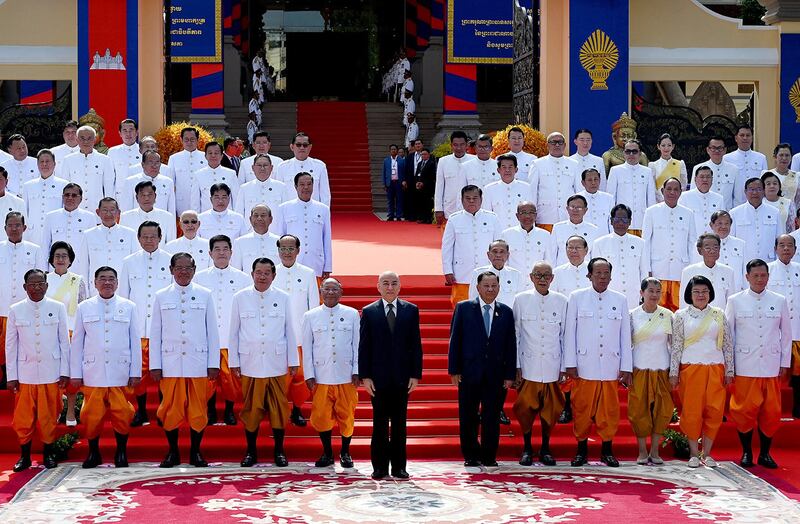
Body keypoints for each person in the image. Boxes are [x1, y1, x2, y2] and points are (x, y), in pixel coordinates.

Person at [149, 253, 220, 468]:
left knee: (198, 409)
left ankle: (196, 452)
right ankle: (173, 452)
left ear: (194, 269)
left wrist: (213, 363)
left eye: (187, 268)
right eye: (178, 268)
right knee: (170, 409)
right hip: (170, 362)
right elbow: (155, 332)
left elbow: (212, 331)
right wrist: (155, 365)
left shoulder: (205, 294)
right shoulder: (161, 296)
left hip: (197, 361)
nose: (183, 272)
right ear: (171, 270)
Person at [229, 257, 297, 467]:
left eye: (267, 273)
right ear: (252, 274)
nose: (262, 277)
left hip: (276, 362)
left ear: (274, 276)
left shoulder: (283, 297)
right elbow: (233, 332)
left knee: (279, 408)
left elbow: (290, 330)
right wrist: (234, 361)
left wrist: (293, 360)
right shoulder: (240, 297)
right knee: (251, 408)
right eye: (259, 272)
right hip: (250, 362)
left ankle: (279, 451)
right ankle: (251, 452)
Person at [563, 258, 631, 467]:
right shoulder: (577, 297)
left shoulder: (620, 299)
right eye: (598, 273)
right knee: (582, 410)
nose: (602, 277)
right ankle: (581, 450)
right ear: (589, 275)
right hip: (585, 365)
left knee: (609, 412)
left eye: (606, 273)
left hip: (611, 365)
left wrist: (626, 367)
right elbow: (569, 333)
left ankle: (607, 451)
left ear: (611, 276)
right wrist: (570, 363)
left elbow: (625, 335)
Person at [70, 266, 140, 468]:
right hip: (94, 371)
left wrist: (135, 371)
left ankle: (121, 452)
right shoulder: (85, 307)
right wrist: (76, 373)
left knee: (122, 414)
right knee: (91, 415)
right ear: (95, 282)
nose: (107, 282)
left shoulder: (129, 306)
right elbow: (77, 342)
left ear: (117, 283)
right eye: (102, 279)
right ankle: (93, 453)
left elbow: (134, 340)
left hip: (120, 370)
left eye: (111, 279)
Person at [726, 259, 791, 468]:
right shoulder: (735, 301)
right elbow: (729, 334)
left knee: (771, 412)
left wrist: (785, 361)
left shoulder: (779, 300)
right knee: (743, 410)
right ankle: (746, 452)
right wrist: (730, 365)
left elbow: (787, 335)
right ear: (747, 277)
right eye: (756, 276)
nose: (760, 279)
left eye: (764, 275)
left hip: (771, 364)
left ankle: (765, 453)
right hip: (745, 363)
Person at [5, 269, 70, 472]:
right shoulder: (16, 310)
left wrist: (65, 371)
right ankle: (24, 456)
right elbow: (11, 345)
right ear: (25, 287)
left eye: (40, 284)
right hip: (25, 374)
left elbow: (64, 342)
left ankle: (48, 454)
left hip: (51, 371)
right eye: (32, 284)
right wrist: (12, 376)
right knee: (23, 418)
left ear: (47, 286)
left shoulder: (57, 307)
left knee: (49, 416)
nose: (36, 288)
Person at [359, 271, 423, 479]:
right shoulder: (369, 312)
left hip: (403, 378)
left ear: (399, 286)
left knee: (399, 424)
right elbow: (364, 346)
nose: (389, 287)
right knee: (379, 423)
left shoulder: (411, 311)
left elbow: (416, 345)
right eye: (385, 283)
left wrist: (415, 374)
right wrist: (365, 376)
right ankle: (378, 467)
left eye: (394, 283)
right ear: (378, 286)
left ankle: (399, 467)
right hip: (377, 379)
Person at [449, 271, 516, 467]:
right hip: (469, 373)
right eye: (486, 286)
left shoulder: (506, 312)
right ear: (477, 288)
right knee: (468, 415)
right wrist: (454, 370)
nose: (490, 289)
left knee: (492, 417)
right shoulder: (464, 308)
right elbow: (455, 340)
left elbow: (511, 345)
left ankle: (489, 455)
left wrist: (509, 374)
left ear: (499, 288)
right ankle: (470, 454)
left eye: (494, 286)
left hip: (495, 375)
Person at [670, 275, 733, 468]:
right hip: (691, 367)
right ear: (689, 294)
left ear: (710, 293)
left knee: (714, 411)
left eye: (704, 291)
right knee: (691, 411)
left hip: (716, 367)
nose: (701, 295)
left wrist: (730, 369)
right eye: (696, 291)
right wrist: (674, 371)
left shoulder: (719, 314)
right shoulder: (680, 315)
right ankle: (694, 454)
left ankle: (708, 453)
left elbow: (728, 343)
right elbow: (676, 345)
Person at [118, 221, 173, 427]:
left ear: (160, 238)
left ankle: (162, 410)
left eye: (153, 236)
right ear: (138, 238)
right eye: (145, 237)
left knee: (163, 372)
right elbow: (123, 296)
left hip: (163, 329)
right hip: (138, 328)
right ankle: (140, 411)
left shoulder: (170, 261)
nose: (149, 240)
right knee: (138, 373)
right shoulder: (129, 262)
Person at [301, 277, 360, 468]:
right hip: (321, 375)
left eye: (335, 289)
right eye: (327, 289)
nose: (331, 292)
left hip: (345, 374)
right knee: (321, 416)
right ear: (321, 292)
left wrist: (357, 370)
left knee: (347, 415)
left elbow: (357, 344)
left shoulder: (351, 314)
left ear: (341, 292)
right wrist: (309, 374)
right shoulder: (310, 316)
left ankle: (345, 452)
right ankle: (327, 453)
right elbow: (307, 347)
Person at [512, 261, 567, 466]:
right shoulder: (521, 300)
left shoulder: (561, 301)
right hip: (528, 365)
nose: (542, 279)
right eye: (538, 275)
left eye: (546, 276)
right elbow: (516, 334)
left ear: (552, 278)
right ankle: (527, 447)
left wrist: (564, 367)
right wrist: (516, 365)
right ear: (531, 277)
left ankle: (545, 447)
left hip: (552, 365)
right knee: (525, 410)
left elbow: (564, 335)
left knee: (551, 411)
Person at [194, 235, 251, 425]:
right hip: (206, 336)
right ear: (210, 253)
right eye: (217, 249)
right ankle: (209, 409)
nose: (221, 253)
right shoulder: (199, 278)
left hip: (230, 336)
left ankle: (228, 410)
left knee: (231, 379)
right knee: (207, 377)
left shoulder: (243, 279)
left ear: (231, 252)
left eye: (225, 249)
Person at [274, 234, 319, 427]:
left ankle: (297, 409)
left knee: (300, 376)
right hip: (276, 334)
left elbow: (314, 305)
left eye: (291, 248)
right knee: (279, 375)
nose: (287, 253)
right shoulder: (271, 272)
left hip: (301, 335)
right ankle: (278, 408)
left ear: (298, 251)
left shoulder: (309, 273)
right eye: (283, 249)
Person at [628, 278, 673, 465]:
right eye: (651, 291)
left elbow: (674, 344)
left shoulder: (669, 315)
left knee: (663, 410)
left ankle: (655, 451)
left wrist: (675, 370)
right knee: (639, 410)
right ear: (642, 293)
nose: (654, 295)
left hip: (662, 368)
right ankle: (642, 450)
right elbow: (626, 343)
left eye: (658, 291)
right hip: (640, 367)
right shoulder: (632, 315)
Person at [1, 212, 46, 389]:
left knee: (23, 343)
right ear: (5, 228)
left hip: (24, 306)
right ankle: (5, 375)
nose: (14, 229)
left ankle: (20, 375)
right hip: (1, 304)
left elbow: (41, 276)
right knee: (4, 345)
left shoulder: (34, 249)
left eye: (17, 225)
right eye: (10, 225)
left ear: (24, 228)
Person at [45, 241, 88, 426]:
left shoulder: (77, 280)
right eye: (57, 256)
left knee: (70, 373)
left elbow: (83, 307)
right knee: (52, 372)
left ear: (70, 260)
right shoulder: (44, 279)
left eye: (64, 256)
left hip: (71, 332)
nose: (60, 259)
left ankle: (71, 411)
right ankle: (54, 408)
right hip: (49, 332)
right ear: (51, 260)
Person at [441, 185, 503, 306]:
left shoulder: (492, 218)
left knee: (487, 304)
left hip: (487, 270)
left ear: (481, 199)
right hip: (462, 272)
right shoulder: (454, 219)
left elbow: (499, 246)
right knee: (461, 305)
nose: (471, 201)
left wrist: (499, 267)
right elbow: (447, 247)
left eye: (475, 198)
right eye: (467, 198)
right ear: (462, 200)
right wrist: (447, 270)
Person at [642, 177, 697, 311]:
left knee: (679, 309)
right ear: (662, 191)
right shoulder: (651, 212)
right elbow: (646, 242)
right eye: (669, 189)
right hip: (658, 269)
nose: (672, 192)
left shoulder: (688, 213)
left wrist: (691, 269)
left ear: (681, 192)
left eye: (676, 189)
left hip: (680, 269)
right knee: (657, 309)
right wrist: (646, 269)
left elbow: (692, 243)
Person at [276, 173, 332, 279]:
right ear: (295, 187)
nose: (306, 187)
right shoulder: (284, 208)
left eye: (309, 184)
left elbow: (326, 238)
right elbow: (280, 236)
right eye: (302, 184)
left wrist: (327, 266)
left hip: (315, 261)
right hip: (292, 260)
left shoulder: (323, 209)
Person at [768, 236, 800, 419]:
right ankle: (772, 410)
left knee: (798, 374)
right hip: (775, 330)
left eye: (790, 245)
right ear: (775, 248)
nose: (786, 248)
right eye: (782, 245)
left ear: (795, 249)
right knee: (775, 373)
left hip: (797, 329)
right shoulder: (767, 270)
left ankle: (797, 407)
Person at [592, 204, 647, 310]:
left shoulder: (640, 243)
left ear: (630, 222)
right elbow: (596, 273)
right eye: (617, 219)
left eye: (625, 219)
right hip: (608, 293)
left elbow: (643, 271)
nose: (621, 223)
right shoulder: (600, 243)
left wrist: (643, 295)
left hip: (633, 295)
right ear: (611, 221)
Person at [74, 198, 137, 288]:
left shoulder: (129, 234)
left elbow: (134, 264)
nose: (108, 214)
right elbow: (83, 265)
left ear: (118, 212)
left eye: (112, 210)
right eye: (104, 210)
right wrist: (86, 291)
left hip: (122, 287)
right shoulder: (88, 234)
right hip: (96, 288)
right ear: (98, 212)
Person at [528, 132, 581, 230]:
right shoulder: (538, 164)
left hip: (568, 216)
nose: (557, 145)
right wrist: (531, 214)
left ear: (565, 145)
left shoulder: (574, 164)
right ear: (547, 145)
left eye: (560, 142)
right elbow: (532, 191)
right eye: (553, 142)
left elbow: (579, 191)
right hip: (545, 215)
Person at [607, 139, 656, 236]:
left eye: (634, 151)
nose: (631, 154)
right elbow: (610, 198)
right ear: (624, 153)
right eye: (628, 151)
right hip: (621, 222)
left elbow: (651, 199)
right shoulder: (616, 171)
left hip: (641, 221)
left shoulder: (647, 172)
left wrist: (651, 220)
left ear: (640, 153)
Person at [60, 126, 115, 212]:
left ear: (95, 140)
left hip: (97, 209)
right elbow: (64, 185)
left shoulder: (105, 160)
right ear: (77, 140)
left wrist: (107, 208)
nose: (86, 141)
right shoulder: (68, 160)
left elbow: (109, 187)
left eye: (89, 138)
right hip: (75, 209)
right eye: (82, 138)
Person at [19, 150, 67, 247]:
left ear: (54, 164)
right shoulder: (28, 186)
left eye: (47, 161)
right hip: (33, 233)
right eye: (41, 161)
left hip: (56, 231)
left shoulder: (63, 185)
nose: (44, 164)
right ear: (37, 164)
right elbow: (24, 212)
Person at [501, 202, 554, 286]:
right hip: (514, 284)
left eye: (531, 212)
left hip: (537, 285)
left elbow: (549, 261)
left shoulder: (545, 235)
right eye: (523, 212)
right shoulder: (507, 234)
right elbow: (504, 261)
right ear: (517, 216)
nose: (527, 216)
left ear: (536, 215)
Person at [729, 177, 781, 262]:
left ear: (764, 191)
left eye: (759, 189)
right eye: (751, 189)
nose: (755, 192)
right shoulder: (734, 213)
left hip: (769, 261)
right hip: (744, 261)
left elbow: (780, 239)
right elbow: (731, 241)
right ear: (745, 192)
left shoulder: (775, 212)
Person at [234, 154, 290, 231]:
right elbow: (239, 215)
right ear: (253, 168)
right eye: (259, 165)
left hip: (275, 234)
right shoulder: (244, 188)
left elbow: (286, 214)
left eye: (265, 165)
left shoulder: (281, 187)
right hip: (250, 233)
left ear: (271, 168)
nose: (262, 168)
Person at [679, 233, 735, 309]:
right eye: (708, 248)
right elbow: (684, 301)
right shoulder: (688, 271)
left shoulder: (728, 271)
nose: (712, 251)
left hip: (720, 318)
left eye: (716, 247)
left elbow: (731, 302)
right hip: (696, 318)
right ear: (700, 250)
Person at [273, 133, 331, 206]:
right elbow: (278, 194)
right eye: (298, 145)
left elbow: (325, 195)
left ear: (310, 147)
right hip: (290, 211)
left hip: (313, 210)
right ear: (292, 147)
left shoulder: (319, 166)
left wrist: (324, 214)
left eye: (305, 145)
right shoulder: (283, 167)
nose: (302, 148)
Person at [40, 183, 100, 252]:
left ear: (81, 199)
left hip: (80, 262)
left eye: (74, 195)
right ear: (62, 197)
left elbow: (93, 246)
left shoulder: (89, 217)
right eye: (67, 195)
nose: (70, 198)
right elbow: (45, 245)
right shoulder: (51, 217)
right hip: (57, 261)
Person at [482, 154, 533, 230]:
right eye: (504, 167)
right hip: (498, 233)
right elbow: (486, 215)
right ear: (498, 170)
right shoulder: (489, 189)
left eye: (510, 167)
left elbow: (530, 213)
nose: (507, 170)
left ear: (516, 169)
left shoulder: (526, 188)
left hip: (519, 232)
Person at [119, 181, 177, 246]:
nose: (146, 198)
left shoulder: (167, 217)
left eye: (149, 194)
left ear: (155, 196)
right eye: (143, 195)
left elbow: (171, 244)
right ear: (136, 198)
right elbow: (123, 243)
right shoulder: (126, 217)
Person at [723, 124, 768, 207]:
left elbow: (765, 183)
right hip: (736, 204)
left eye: (748, 135)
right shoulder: (727, 158)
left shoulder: (761, 158)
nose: (745, 138)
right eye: (742, 135)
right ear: (736, 138)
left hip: (757, 204)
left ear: (752, 138)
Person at [434, 131, 473, 225]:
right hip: (450, 207)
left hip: (471, 206)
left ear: (467, 145)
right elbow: (439, 186)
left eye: (462, 144)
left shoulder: (474, 160)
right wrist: (438, 209)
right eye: (455, 145)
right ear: (451, 145)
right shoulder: (443, 161)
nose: (459, 148)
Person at [119, 150, 176, 214]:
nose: (154, 166)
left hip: (161, 221)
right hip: (138, 222)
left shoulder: (168, 182)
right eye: (150, 162)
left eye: (157, 162)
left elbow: (171, 209)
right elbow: (125, 210)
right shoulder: (130, 182)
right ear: (143, 165)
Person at [190, 142, 240, 213]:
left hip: (227, 218)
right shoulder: (198, 175)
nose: (213, 155)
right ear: (205, 156)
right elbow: (195, 203)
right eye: (210, 153)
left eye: (216, 153)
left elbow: (236, 200)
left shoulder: (231, 174)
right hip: (206, 219)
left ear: (222, 156)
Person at [691, 137, 740, 210]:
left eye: (720, 148)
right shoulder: (698, 168)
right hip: (705, 212)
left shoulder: (734, 170)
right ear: (708, 150)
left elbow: (738, 198)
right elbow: (693, 194)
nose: (716, 151)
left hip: (726, 214)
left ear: (725, 150)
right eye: (713, 148)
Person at [551, 194, 601, 266]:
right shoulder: (558, 228)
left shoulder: (593, 230)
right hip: (562, 271)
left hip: (585, 271)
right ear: (567, 209)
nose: (575, 210)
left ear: (585, 210)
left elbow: (595, 256)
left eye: (579, 207)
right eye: (572, 207)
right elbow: (552, 253)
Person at [168, 127, 207, 215]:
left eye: (192, 139)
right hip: (181, 203)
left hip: (203, 203)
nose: (189, 142)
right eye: (186, 139)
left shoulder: (205, 157)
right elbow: (170, 184)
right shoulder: (174, 158)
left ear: (198, 140)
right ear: (181, 140)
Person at [678, 165, 723, 235]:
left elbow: (722, 222)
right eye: (702, 177)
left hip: (712, 242)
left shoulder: (719, 199)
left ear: (712, 179)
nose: (705, 180)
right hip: (692, 240)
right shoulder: (684, 197)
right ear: (695, 179)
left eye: (708, 177)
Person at [710, 210, 746, 290]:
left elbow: (745, 271)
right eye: (720, 223)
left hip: (736, 290)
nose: (723, 227)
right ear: (711, 225)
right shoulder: (703, 244)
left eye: (726, 224)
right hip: (714, 291)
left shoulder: (741, 244)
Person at [649, 133, 688, 201]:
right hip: (659, 202)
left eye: (669, 145)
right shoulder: (653, 165)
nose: (666, 148)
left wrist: (675, 199)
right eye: (663, 145)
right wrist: (662, 199)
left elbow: (683, 185)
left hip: (676, 201)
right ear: (658, 146)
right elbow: (652, 187)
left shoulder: (680, 164)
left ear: (673, 146)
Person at [576, 168, 613, 234]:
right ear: (583, 183)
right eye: (589, 180)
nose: (593, 183)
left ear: (600, 181)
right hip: (584, 238)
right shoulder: (576, 199)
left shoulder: (608, 198)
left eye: (596, 179)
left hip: (603, 237)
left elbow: (611, 221)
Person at [107, 118, 141, 185]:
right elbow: (109, 176)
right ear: (120, 133)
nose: (128, 133)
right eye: (125, 130)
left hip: (139, 191)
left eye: (131, 130)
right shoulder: (112, 152)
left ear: (137, 132)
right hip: (120, 192)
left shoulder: (143, 150)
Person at [409, 147, 436, 223]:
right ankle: (422, 217)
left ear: (428, 155)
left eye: (424, 154)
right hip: (420, 187)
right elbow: (417, 173)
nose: (423, 156)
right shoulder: (420, 163)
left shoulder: (431, 163)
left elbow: (432, 176)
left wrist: (423, 183)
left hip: (428, 187)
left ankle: (428, 218)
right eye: (422, 154)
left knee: (428, 203)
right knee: (421, 203)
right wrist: (417, 182)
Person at [0, 167, 26, 243]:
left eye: (0, 179)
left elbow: (24, 229)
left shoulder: (18, 202)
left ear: (6, 181)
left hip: (11, 246)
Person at [383, 144, 405, 221]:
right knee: (390, 200)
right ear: (390, 151)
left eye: (395, 149)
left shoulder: (402, 160)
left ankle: (399, 215)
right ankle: (390, 215)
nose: (393, 150)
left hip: (398, 182)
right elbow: (384, 173)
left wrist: (404, 181)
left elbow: (404, 172)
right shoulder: (386, 160)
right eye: (392, 149)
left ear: (397, 150)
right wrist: (385, 184)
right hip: (390, 183)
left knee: (399, 200)